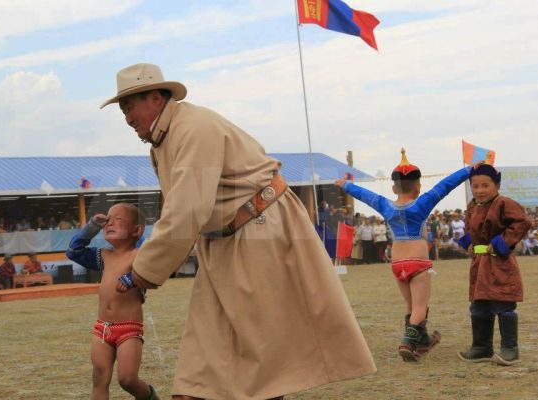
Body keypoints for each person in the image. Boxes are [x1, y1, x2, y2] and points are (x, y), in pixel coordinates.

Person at [101, 63, 375, 400]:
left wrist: (141, 272)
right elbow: (184, 210)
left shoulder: (193, 129)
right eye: (123, 110)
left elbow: (186, 211)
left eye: (129, 107)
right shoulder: (165, 139)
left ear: (155, 98)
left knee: (264, 367)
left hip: (260, 232)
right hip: (224, 243)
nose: (127, 118)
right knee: (200, 379)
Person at [337, 149, 478, 362]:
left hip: (397, 263)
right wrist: (468, 171)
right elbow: (445, 185)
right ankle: (408, 343)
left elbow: (365, 195)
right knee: (420, 307)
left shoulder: (385, 205)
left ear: (394, 188)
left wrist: (346, 185)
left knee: (411, 306)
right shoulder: (422, 204)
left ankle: (423, 338)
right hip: (418, 262)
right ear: (418, 187)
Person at [66, 202, 158, 400]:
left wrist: (132, 279)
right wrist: (91, 227)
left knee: (127, 379)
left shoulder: (139, 256)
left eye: (118, 220)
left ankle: (150, 396)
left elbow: (154, 268)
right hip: (102, 328)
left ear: (136, 230)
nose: (109, 223)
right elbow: (74, 251)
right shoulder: (104, 255)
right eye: (108, 220)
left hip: (129, 329)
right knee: (99, 377)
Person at [456, 164, 532, 366]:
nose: (480, 190)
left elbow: (522, 222)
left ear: (497, 185)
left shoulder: (503, 203)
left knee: (503, 303)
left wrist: (500, 243)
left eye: (485, 185)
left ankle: (510, 349)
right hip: (479, 263)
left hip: (499, 262)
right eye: (475, 186)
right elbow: (469, 228)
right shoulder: (473, 206)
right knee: (479, 305)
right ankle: (482, 347)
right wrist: (469, 242)